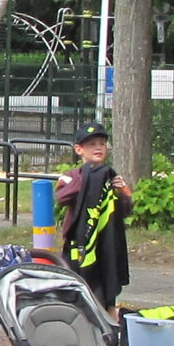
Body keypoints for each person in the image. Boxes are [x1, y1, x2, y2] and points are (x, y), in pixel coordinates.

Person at [54, 125, 133, 309]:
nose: (98, 148)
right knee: (78, 293)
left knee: (106, 295)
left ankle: (109, 324)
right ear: (79, 149)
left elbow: (127, 209)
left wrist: (118, 191)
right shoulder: (71, 176)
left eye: (102, 144)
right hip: (78, 248)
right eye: (91, 144)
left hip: (105, 247)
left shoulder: (112, 177)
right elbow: (61, 197)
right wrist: (89, 178)